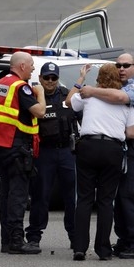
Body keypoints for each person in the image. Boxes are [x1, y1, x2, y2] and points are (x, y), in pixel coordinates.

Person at [80, 53, 134, 259]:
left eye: (126, 65)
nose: (121, 69)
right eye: (118, 65)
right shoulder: (117, 88)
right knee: (120, 198)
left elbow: (122, 99)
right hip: (123, 149)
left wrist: (91, 90)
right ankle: (125, 241)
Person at [66, 63, 134, 261]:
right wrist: (114, 129)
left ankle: (79, 247)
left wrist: (80, 79)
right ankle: (103, 250)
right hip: (112, 149)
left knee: (84, 198)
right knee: (106, 201)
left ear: (99, 79)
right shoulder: (124, 102)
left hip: (88, 146)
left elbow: (69, 102)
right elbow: (132, 132)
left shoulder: (88, 96)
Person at [0, 51, 46, 255]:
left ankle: (6, 240)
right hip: (17, 147)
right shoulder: (21, 87)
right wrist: (41, 92)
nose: (34, 69)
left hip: (0, 146)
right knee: (18, 195)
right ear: (22, 67)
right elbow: (40, 112)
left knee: (7, 195)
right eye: (32, 65)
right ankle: (17, 241)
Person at [25, 62, 77, 250]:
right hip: (43, 152)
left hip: (66, 151)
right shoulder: (31, 96)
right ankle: (34, 237)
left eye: (53, 77)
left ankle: (75, 236)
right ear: (40, 78)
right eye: (46, 77)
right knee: (40, 195)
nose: (49, 81)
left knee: (72, 196)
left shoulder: (66, 95)